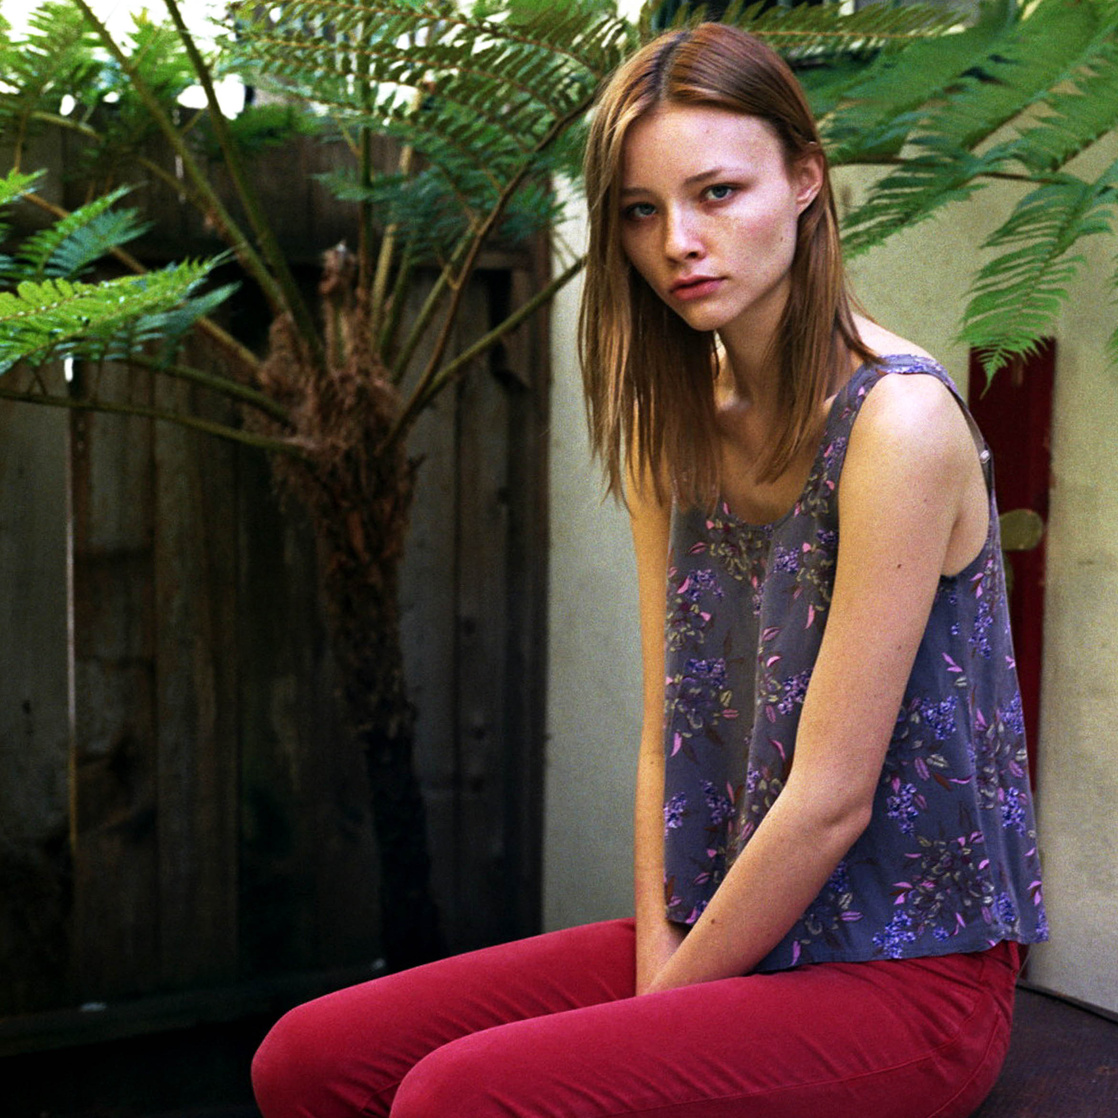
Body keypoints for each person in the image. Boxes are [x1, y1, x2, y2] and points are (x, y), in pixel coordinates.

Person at [251, 22, 1046, 1118]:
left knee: (453, 1099)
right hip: (733, 927)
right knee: (309, 1059)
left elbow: (830, 800)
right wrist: (653, 965)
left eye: (717, 193)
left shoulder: (896, 423)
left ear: (805, 180)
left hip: (907, 971)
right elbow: (665, 731)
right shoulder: (673, 422)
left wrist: (657, 1007)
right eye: (639, 210)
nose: (678, 241)